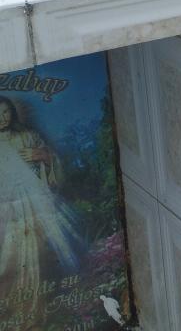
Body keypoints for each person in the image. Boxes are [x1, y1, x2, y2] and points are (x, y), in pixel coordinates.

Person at [0, 97, 83, 329]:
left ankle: (37, 315)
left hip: (35, 208)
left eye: (6, 112)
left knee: (37, 258)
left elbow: (54, 171)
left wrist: (43, 157)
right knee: (8, 261)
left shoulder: (27, 136)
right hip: (5, 213)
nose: (2, 118)